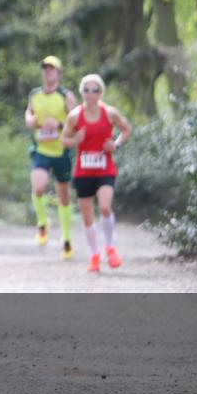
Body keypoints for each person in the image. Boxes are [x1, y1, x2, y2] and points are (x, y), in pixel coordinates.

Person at [60, 74, 132, 273]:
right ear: (81, 92)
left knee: (105, 207)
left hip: (105, 169)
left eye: (95, 90)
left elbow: (126, 130)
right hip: (83, 171)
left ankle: (110, 248)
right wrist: (75, 140)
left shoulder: (109, 113)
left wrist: (115, 144)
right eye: (87, 90)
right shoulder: (75, 115)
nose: (91, 94)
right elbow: (64, 139)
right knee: (87, 217)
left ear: (101, 92)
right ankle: (94, 255)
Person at [24, 56, 77, 259]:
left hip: (61, 151)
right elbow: (28, 114)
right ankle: (42, 224)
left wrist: (60, 126)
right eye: (45, 69)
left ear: (59, 73)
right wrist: (33, 120)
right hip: (41, 150)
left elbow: (77, 120)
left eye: (52, 69)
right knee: (38, 187)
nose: (48, 72)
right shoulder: (35, 94)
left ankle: (66, 239)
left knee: (63, 195)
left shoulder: (66, 96)